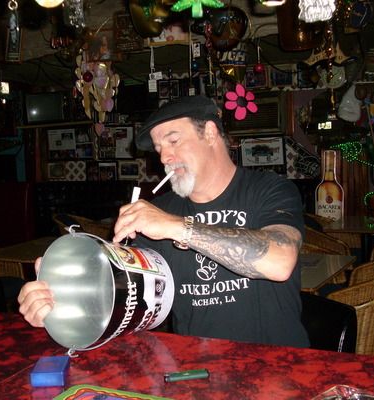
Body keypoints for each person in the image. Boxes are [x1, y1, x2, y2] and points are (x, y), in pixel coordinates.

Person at [18, 95, 309, 348]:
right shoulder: (159, 212)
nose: (165, 157)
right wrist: (61, 305)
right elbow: (122, 298)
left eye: (173, 141)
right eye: (159, 149)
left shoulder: (270, 189)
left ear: (210, 133)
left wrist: (177, 227)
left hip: (278, 364)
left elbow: (280, 261)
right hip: (197, 370)